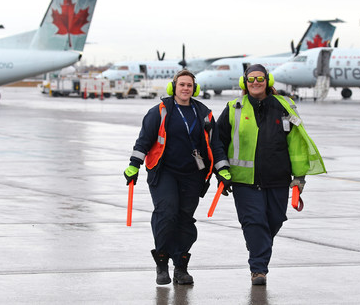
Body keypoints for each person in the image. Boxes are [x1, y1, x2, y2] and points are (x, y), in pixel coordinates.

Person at [216, 64, 326, 285]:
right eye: (251, 79)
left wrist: (300, 177)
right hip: (243, 181)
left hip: (277, 179)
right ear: (244, 83)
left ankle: (257, 246)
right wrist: (222, 169)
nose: (255, 83)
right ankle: (258, 269)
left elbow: (295, 143)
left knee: (274, 221)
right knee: (254, 222)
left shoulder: (284, 107)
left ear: (268, 80)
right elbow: (217, 142)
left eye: (260, 78)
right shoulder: (233, 108)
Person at [124, 69, 232, 285]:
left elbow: (216, 145)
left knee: (184, 219)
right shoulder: (160, 112)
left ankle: (181, 267)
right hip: (164, 172)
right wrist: (134, 165)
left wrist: (222, 170)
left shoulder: (204, 113)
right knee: (167, 213)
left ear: (195, 89)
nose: (185, 89)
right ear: (174, 87)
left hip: (193, 175)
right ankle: (162, 262)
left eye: (189, 85)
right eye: (181, 85)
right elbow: (143, 141)